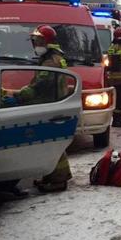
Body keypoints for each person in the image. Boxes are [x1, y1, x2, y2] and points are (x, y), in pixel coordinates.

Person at [15, 25, 73, 193]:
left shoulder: (50, 61)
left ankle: (58, 180)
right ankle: (53, 176)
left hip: (50, 105)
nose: (35, 45)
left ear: (46, 41)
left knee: (51, 145)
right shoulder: (54, 56)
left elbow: (41, 84)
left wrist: (21, 95)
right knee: (52, 144)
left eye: (38, 41)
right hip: (53, 104)